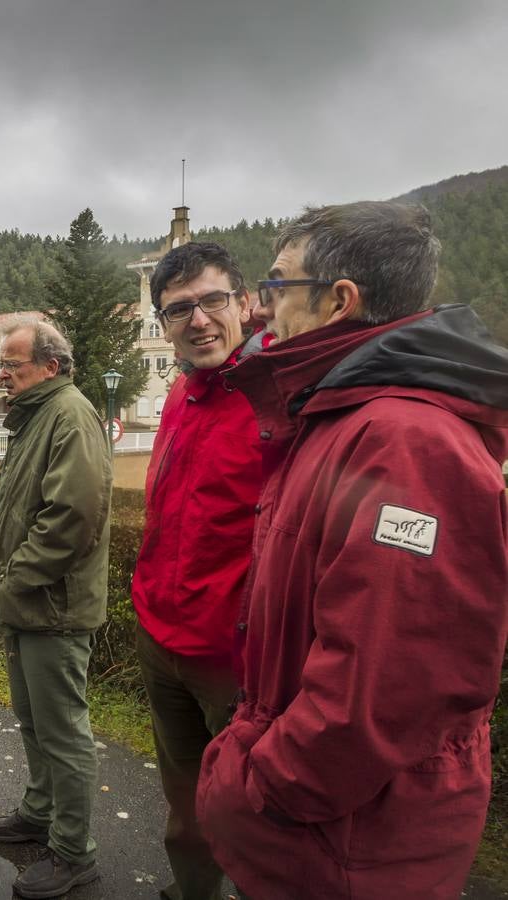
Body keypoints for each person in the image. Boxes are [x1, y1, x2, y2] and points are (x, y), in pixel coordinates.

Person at [197, 201, 508, 899]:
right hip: (326, 837)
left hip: (347, 849)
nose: (258, 312)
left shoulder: (405, 445)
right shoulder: (343, 416)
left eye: (275, 287)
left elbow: (387, 685)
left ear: (340, 300)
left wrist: (265, 786)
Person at [130, 243, 265, 900]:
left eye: (213, 300)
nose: (198, 319)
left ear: (245, 303)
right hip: (164, 643)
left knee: (249, 824)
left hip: (237, 664)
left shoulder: (280, 402)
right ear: (163, 324)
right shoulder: (182, 394)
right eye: (178, 309)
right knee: (184, 821)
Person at [0, 318, 112, 900]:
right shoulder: (38, 416)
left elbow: (72, 516)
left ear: (50, 367)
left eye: (12, 364)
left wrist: (15, 580)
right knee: (34, 721)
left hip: (51, 605)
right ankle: (39, 811)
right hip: (29, 604)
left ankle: (74, 850)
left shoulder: (70, 415)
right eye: (1, 365)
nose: (1, 373)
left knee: (62, 732)